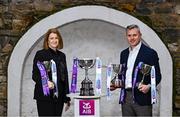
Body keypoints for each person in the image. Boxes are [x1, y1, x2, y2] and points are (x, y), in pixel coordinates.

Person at [118, 24, 162, 116]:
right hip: (126, 98)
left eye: (134, 35)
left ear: (140, 35)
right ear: (126, 36)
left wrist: (149, 86)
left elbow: (157, 75)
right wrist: (116, 84)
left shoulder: (150, 53)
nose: (132, 38)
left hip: (142, 98)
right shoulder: (123, 54)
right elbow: (122, 74)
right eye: (129, 35)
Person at [32, 28, 71, 116]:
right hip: (44, 97)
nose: (54, 40)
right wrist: (45, 82)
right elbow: (35, 75)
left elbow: (64, 77)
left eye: (56, 38)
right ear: (47, 40)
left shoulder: (62, 56)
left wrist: (66, 97)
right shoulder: (40, 54)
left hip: (59, 97)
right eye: (51, 38)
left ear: (59, 40)